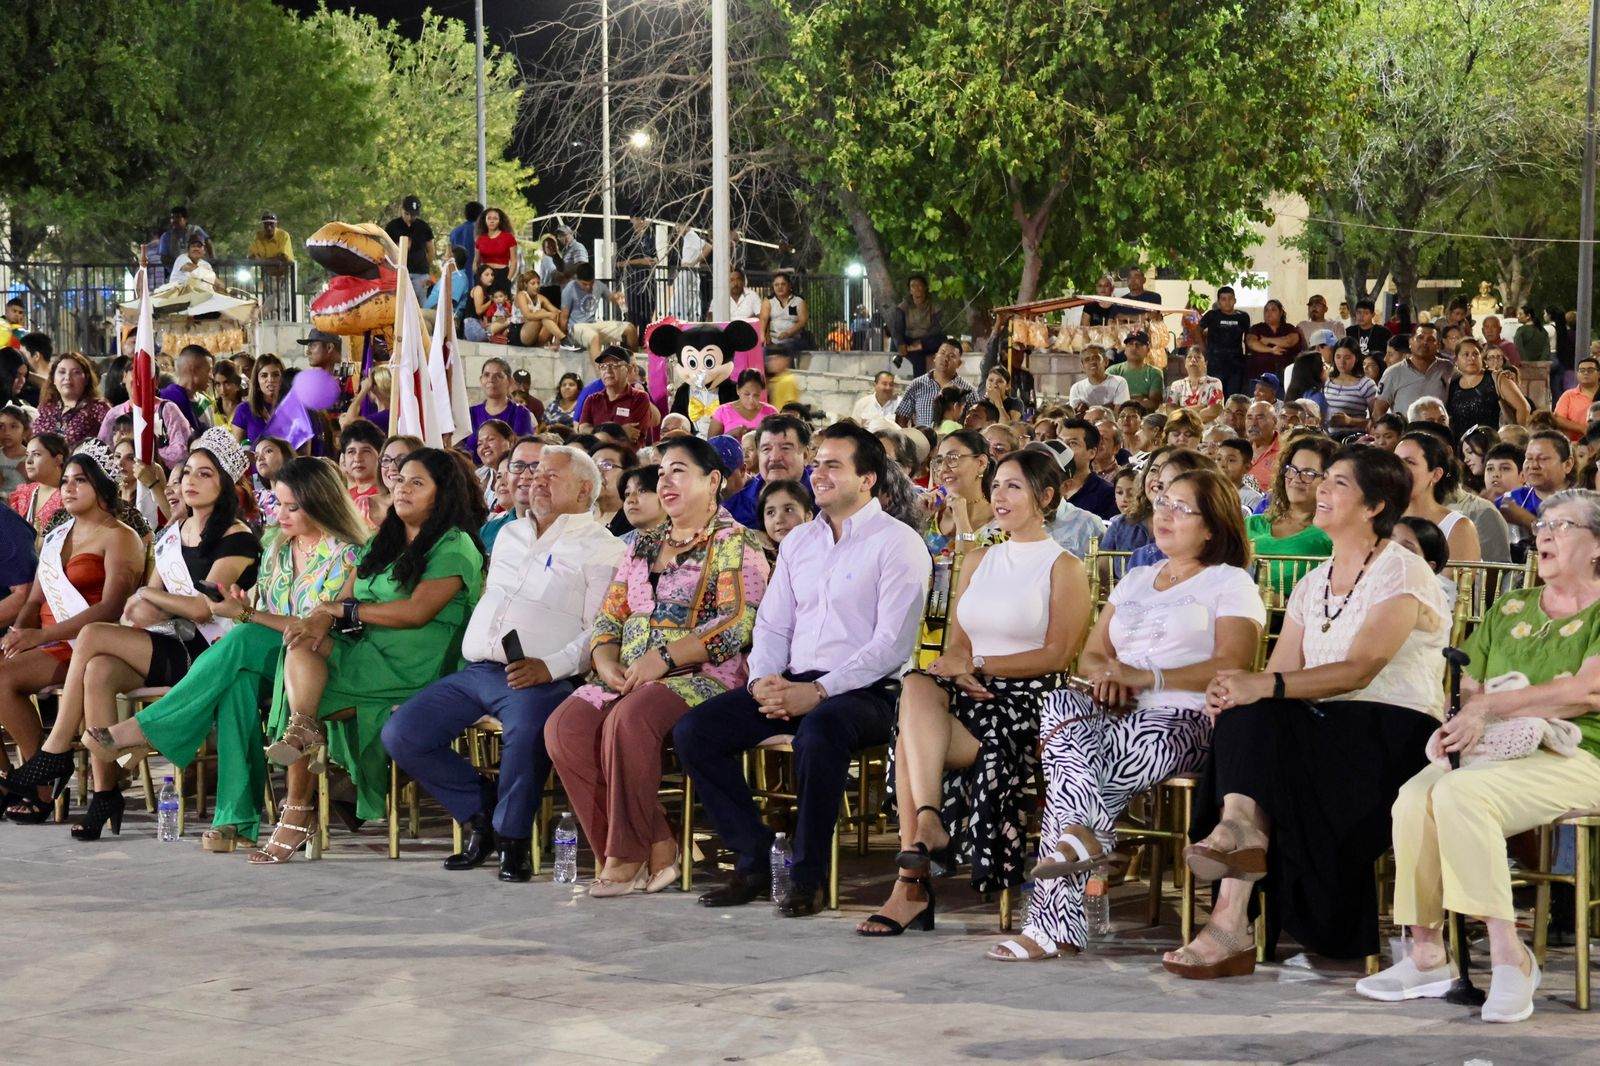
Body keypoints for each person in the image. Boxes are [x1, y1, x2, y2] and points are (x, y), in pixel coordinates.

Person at [1169, 446, 1446, 976]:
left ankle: (1231, 913)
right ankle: (1237, 841)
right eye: (1325, 479)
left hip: (1391, 731)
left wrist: (1258, 685)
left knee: (1262, 716)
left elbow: (1360, 670)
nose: (1321, 488)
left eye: (1339, 483)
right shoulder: (1312, 583)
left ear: (1373, 506)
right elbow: (1278, 673)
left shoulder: (1402, 572)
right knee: (1248, 713)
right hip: (1322, 727)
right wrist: (1231, 691)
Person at [988, 468, 1264, 961]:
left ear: (1212, 525)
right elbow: (1093, 655)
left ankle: (1052, 921)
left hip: (1185, 719)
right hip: (1112, 713)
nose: (1164, 513)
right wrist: (1108, 678)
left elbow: (1232, 664)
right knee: (1055, 703)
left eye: (1182, 507)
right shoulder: (1136, 578)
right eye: (1162, 501)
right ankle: (1086, 835)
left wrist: (1148, 677)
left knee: (1075, 783)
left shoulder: (1230, 582)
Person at [1362, 489, 1600, 1023]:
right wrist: (1471, 717)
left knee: (1461, 792)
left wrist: (1493, 704)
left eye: (1562, 526)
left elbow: (1588, 692)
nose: (1543, 535)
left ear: (1596, 547)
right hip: (1501, 748)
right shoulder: (1508, 605)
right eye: (1542, 526)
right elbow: (1471, 684)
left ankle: (1511, 957)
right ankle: (1425, 952)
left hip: (1583, 752)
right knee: (1411, 797)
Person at [676, 423, 930, 915]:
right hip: (792, 681)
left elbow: (891, 645)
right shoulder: (800, 543)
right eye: (818, 463)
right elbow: (773, 624)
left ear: (869, 478)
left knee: (820, 734)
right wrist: (764, 682)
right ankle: (755, 858)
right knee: (694, 731)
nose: (819, 473)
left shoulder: (898, 544)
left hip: (869, 691)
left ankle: (807, 876)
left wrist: (818, 692)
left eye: (834, 465)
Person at [80, 459, 367, 850]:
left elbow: (314, 627)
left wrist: (247, 613)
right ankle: (236, 820)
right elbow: (261, 609)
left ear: (322, 503)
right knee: (238, 684)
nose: (279, 515)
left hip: (320, 659)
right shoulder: (277, 548)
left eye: (292, 507)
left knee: (245, 636)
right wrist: (244, 606)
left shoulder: (350, 555)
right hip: (271, 656)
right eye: (277, 504)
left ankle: (144, 731)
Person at [861, 449, 1089, 936]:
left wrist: (978, 665)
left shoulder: (1063, 566)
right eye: (998, 485)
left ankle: (912, 881)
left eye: (1014, 487)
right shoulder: (978, 559)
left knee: (909, 737)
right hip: (965, 689)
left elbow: (1057, 655)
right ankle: (926, 827)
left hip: (1025, 703)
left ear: (1045, 497)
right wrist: (958, 666)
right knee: (917, 684)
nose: (1000, 496)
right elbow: (957, 642)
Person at [383, 446, 622, 880]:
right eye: (535, 473)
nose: (537, 480)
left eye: (551, 475)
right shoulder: (510, 534)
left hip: (542, 676)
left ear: (584, 489)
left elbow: (601, 630)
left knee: (529, 731)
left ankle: (513, 839)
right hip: (479, 668)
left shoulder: (601, 548)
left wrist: (550, 667)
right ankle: (481, 815)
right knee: (403, 733)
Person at [545, 436, 769, 896]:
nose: (665, 481)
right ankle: (658, 840)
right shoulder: (642, 545)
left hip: (703, 678)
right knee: (564, 726)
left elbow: (737, 623)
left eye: (679, 471)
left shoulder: (736, 543)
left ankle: (625, 855)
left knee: (628, 720)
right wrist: (605, 660)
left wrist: (664, 659)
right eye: (661, 472)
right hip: (630, 674)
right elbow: (611, 614)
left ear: (713, 482)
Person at [9, 430, 260, 838]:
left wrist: (150, 596)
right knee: (99, 671)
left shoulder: (237, 537)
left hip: (210, 652)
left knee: (91, 636)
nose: (190, 482)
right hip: (167, 639)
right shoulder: (175, 533)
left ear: (226, 484)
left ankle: (55, 750)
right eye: (187, 473)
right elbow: (143, 606)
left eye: (205, 474)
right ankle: (106, 794)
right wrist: (151, 599)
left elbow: (204, 606)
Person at [248, 449, 484, 863]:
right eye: (400, 478)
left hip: (415, 660)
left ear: (442, 493)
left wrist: (339, 611)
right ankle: (303, 732)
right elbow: (338, 600)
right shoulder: (384, 538)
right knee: (300, 646)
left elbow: (416, 613)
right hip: (367, 649)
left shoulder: (455, 544)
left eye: (417, 482)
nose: (402, 487)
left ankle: (299, 806)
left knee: (303, 688)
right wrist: (319, 620)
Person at [0, 442, 143, 821]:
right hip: (49, 642)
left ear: (102, 486)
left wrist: (38, 638)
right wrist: (15, 635)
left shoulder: (120, 536)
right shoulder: (55, 537)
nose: (68, 488)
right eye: (65, 481)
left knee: (1, 679)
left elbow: (111, 607)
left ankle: (42, 784)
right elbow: (31, 603)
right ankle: (14, 774)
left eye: (81, 480)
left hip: (90, 647)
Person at [1245, 435, 1336, 602]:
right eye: (1291, 469)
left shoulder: (1333, 534)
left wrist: (1277, 601)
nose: (1295, 479)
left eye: (1308, 473)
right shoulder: (1252, 524)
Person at [1396, 431, 1481, 571]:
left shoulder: (1459, 527)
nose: (1399, 469)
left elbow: (1452, 588)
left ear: (1435, 475)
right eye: (1396, 461)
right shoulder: (1381, 519)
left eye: (1409, 462)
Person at [1446, 337, 1524, 439]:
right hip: (1463, 448)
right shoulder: (1452, 385)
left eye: (1475, 354)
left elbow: (1523, 408)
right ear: (1456, 360)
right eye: (1466, 354)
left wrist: (1516, 438)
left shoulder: (1497, 379)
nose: (1471, 358)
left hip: (1493, 446)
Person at [578, 347, 659, 445]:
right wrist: (620, 431)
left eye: (614, 365)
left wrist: (597, 433)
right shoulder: (592, 399)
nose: (608, 370)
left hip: (627, 458)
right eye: (603, 366)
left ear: (629, 370)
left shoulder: (639, 398)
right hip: (596, 457)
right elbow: (583, 430)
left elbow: (632, 436)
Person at [1374, 327, 1453, 421]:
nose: (1425, 343)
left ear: (1438, 346)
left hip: (1438, 432)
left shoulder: (1448, 368)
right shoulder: (1392, 373)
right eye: (1420, 338)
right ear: (1410, 342)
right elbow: (1378, 412)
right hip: (1406, 433)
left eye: (1431, 339)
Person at [34, 353, 110, 449]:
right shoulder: (46, 407)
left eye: (75, 372)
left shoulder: (98, 408)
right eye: (62, 372)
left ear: (86, 379)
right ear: (53, 378)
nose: (67, 377)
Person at [561, 263, 637, 357]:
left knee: (630, 329)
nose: (588, 287)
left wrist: (616, 297)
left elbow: (610, 298)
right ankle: (601, 370)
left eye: (591, 283)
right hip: (576, 327)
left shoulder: (599, 285)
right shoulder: (570, 289)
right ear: (577, 279)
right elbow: (563, 318)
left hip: (592, 324)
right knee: (594, 336)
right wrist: (562, 339)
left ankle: (632, 364)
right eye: (584, 284)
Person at [896, 341, 976, 429]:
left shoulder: (968, 390)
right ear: (935, 357)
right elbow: (901, 417)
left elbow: (976, 420)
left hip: (954, 441)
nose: (945, 358)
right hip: (922, 441)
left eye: (951, 356)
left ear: (959, 363)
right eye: (942, 353)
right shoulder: (916, 384)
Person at [10, 432, 67, 543]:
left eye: (36, 454)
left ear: (58, 459)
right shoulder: (24, 493)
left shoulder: (69, 495)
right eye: (27, 455)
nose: (28, 461)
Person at [1199, 286, 1251, 397]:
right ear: (1218, 302)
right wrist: (1203, 350)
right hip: (1215, 363)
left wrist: (1248, 357)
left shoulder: (1243, 317)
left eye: (1230, 298)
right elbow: (1197, 330)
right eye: (1223, 299)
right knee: (1216, 396)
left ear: (1235, 300)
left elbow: (1248, 338)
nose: (1227, 302)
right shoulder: (1211, 315)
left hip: (1236, 364)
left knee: (1233, 397)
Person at [890, 274, 944, 376]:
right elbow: (898, 329)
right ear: (910, 290)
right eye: (913, 286)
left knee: (942, 339)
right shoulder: (903, 307)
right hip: (910, 339)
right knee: (918, 357)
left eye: (919, 285)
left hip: (927, 339)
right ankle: (919, 388)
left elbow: (937, 327)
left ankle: (913, 348)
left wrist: (922, 341)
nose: (916, 289)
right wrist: (901, 344)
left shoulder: (934, 306)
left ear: (925, 288)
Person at [385, 195, 435, 301]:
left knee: (421, 304)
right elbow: (386, 250)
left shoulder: (423, 226)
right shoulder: (392, 226)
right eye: (406, 214)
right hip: (399, 272)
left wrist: (426, 267)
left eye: (413, 215)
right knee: (400, 303)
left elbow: (430, 250)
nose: (409, 218)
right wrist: (399, 249)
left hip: (420, 273)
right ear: (401, 210)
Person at [230, 353, 283, 445]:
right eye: (264, 375)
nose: (270, 380)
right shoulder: (244, 409)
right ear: (257, 381)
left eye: (275, 375)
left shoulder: (292, 408)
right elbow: (236, 452)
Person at [1245, 299, 1303, 381]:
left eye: (1273, 310)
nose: (1269, 313)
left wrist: (1268, 340)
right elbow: (1251, 343)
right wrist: (1271, 350)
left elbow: (1289, 341)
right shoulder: (1257, 328)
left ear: (1281, 313)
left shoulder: (1289, 328)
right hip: (1260, 376)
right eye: (1266, 310)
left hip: (1285, 376)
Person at [710, 370, 778, 439]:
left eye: (756, 395)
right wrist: (731, 435)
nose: (751, 400)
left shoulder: (771, 412)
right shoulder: (722, 412)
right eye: (747, 394)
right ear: (737, 390)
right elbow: (711, 445)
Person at [1108, 331, 1164, 411]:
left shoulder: (1154, 373)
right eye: (1130, 344)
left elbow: (1153, 404)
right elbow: (1107, 401)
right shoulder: (1113, 371)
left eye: (1139, 344)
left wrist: (1122, 400)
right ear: (1125, 349)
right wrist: (1141, 399)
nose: (1134, 347)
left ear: (1148, 350)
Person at [761, 272, 812, 357]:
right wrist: (762, 336)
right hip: (774, 339)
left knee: (786, 348)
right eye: (776, 285)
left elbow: (802, 321)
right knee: (763, 351)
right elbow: (763, 319)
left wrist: (788, 333)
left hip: (793, 339)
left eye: (783, 284)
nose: (779, 287)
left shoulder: (799, 300)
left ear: (789, 285)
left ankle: (789, 370)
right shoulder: (768, 301)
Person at [1166, 347, 1224, 421]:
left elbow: (1213, 411)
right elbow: (1170, 411)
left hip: (1207, 430)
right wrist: (1200, 408)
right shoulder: (1177, 385)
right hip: (1183, 430)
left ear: (1205, 363)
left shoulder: (1214, 383)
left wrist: (1182, 410)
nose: (1193, 360)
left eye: (1198, 357)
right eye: (1189, 357)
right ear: (1185, 363)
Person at [758, 478, 814, 553]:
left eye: (788, 510)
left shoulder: (819, 552)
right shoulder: (757, 555)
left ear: (808, 515)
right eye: (770, 512)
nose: (778, 520)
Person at [1553, 354, 1600, 441]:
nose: (1586, 373)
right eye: (1582, 370)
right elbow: (1557, 419)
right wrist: (1582, 428)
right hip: (1575, 445)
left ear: (1599, 374)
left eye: (1590, 370)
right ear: (1577, 374)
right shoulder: (1568, 395)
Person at [472, 207, 520, 292]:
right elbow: (476, 260)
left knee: (502, 304)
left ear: (500, 221)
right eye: (489, 218)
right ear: (485, 220)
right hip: (484, 277)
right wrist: (477, 277)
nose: (492, 221)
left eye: (495, 218)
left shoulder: (508, 237)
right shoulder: (480, 239)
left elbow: (514, 261)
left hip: (502, 275)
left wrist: (508, 279)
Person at [512, 270, 564, 348]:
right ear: (526, 284)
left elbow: (557, 312)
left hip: (534, 335)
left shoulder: (541, 298)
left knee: (553, 314)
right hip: (519, 333)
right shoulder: (521, 295)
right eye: (533, 283)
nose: (537, 286)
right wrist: (546, 314)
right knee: (543, 313)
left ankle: (555, 343)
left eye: (538, 283)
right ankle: (564, 338)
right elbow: (527, 315)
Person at [619, 464, 665, 546]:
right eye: (627, 494)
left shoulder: (686, 543)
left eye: (642, 490)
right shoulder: (618, 546)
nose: (630, 500)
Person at [1245, 399, 1282, 487]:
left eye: (1260, 418)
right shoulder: (1239, 448)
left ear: (1275, 421)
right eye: (1249, 418)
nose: (1253, 423)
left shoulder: (1285, 452)